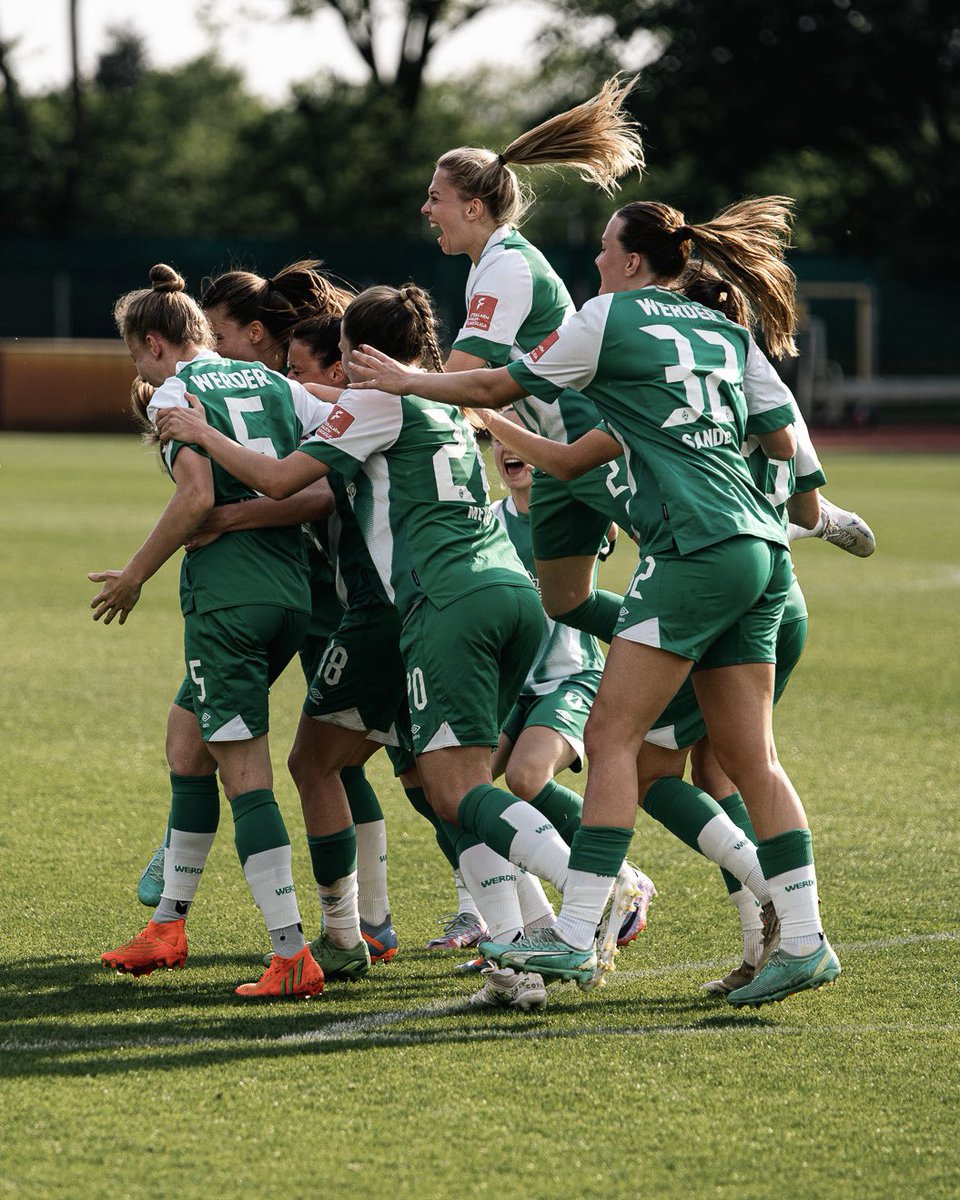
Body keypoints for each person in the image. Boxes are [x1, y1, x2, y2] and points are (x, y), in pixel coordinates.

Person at [348, 196, 842, 1009]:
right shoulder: (726, 330)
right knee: (753, 758)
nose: (597, 262)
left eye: (607, 248)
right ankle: (806, 938)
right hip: (761, 551)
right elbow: (784, 439)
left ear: (634, 261)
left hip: (692, 549)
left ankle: (577, 931)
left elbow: (500, 379)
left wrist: (409, 380)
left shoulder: (607, 315)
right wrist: (796, 506)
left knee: (612, 736)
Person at [156, 283, 632, 1012]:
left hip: (446, 605)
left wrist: (204, 431)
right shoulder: (438, 397)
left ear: (360, 350)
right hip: (509, 594)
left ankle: (593, 885)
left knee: (449, 790)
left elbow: (282, 480)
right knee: (446, 788)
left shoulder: (377, 401)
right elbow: (331, 420)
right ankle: (518, 965)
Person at [95, 263, 328, 999]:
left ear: (154, 343)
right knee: (187, 742)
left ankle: (291, 953)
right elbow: (323, 485)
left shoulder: (176, 393)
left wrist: (135, 574)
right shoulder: (275, 382)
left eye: (135, 354)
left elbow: (195, 496)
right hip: (291, 597)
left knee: (245, 776)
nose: (138, 371)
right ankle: (167, 924)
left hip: (229, 603)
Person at [424, 76, 643, 642]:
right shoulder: (490, 263)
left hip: (587, 437)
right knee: (564, 600)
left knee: (683, 555)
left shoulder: (507, 267)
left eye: (435, 197)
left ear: (473, 207)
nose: (426, 209)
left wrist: (373, 393)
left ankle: (798, 521)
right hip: (553, 453)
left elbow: (463, 377)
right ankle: (666, 653)